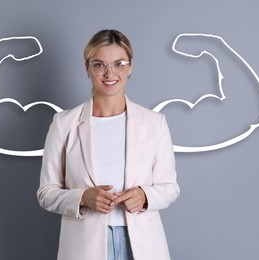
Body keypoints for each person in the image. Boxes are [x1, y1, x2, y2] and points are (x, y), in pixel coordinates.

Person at [37, 29, 180, 260]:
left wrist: (145, 196)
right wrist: (83, 197)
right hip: (85, 245)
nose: (109, 73)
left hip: (142, 244)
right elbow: (46, 193)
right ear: (87, 68)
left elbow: (170, 187)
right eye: (99, 65)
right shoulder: (64, 123)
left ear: (130, 66)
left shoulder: (154, 123)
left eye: (119, 64)